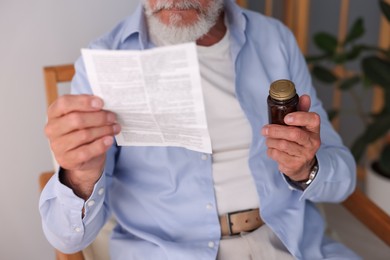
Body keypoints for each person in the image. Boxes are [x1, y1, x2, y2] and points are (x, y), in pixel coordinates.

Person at [39, 0, 361, 259]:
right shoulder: (104, 62)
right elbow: (66, 239)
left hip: (289, 242)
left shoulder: (274, 40)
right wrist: (80, 177)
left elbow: (342, 179)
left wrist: (306, 168)